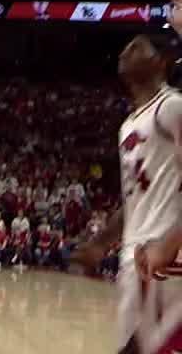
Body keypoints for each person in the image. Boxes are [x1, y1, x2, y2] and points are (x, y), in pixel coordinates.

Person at [71, 31, 181, 354]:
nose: (125, 51)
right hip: (136, 253)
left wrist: (171, 241)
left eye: (137, 47)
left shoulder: (171, 107)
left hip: (164, 253)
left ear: (162, 62)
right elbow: (133, 199)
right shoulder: (128, 125)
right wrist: (100, 243)